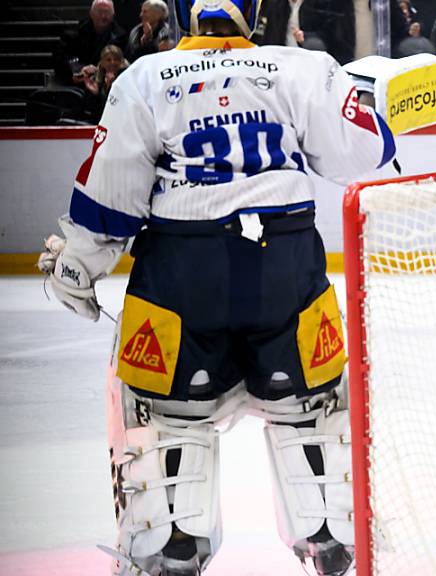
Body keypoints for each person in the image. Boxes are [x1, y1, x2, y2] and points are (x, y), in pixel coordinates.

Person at [37, 1, 397, 574]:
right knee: (312, 413)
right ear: (252, 10)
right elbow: (364, 152)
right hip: (287, 275)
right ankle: (329, 537)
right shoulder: (300, 68)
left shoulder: (143, 78)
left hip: (182, 283)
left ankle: (170, 547)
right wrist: (371, 100)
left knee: (167, 419)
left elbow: (111, 197)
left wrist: (78, 266)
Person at [57, 0, 127, 86]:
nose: (103, 16)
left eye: (107, 12)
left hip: (106, 84)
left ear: (113, 15)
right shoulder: (74, 33)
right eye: (99, 12)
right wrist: (79, 69)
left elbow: (122, 63)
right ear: (91, 13)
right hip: (78, 82)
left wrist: (98, 71)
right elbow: (63, 57)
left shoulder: (121, 36)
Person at [82, 44, 129, 122]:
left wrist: (110, 88)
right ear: (102, 62)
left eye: (116, 59)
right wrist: (95, 94)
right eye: (108, 60)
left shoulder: (126, 78)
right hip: (99, 120)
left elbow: (116, 109)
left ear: (121, 61)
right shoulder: (97, 77)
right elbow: (92, 111)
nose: (112, 62)